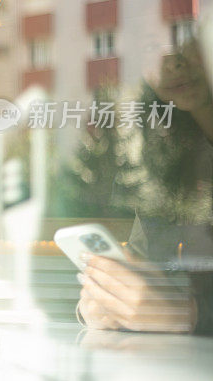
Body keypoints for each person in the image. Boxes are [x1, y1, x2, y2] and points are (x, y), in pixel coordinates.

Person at [78, 35, 213, 334]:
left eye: (188, 39)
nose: (173, 61)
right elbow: (144, 263)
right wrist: (105, 304)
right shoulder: (170, 167)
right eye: (154, 46)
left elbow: (178, 310)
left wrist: (189, 314)